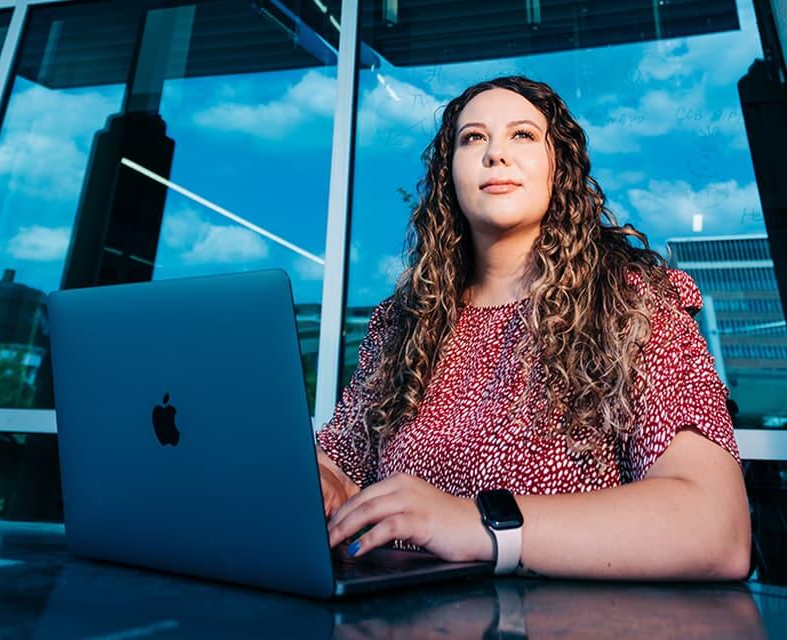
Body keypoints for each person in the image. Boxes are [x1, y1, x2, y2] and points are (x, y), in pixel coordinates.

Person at [316, 76, 751, 580]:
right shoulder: (401, 324)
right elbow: (339, 467)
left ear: (558, 167)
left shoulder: (630, 303)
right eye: (472, 137)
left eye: (522, 134)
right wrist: (324, 485)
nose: (495, 153)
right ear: (447, 175)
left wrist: (477, 525)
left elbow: (716, 528)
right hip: (394, 617)